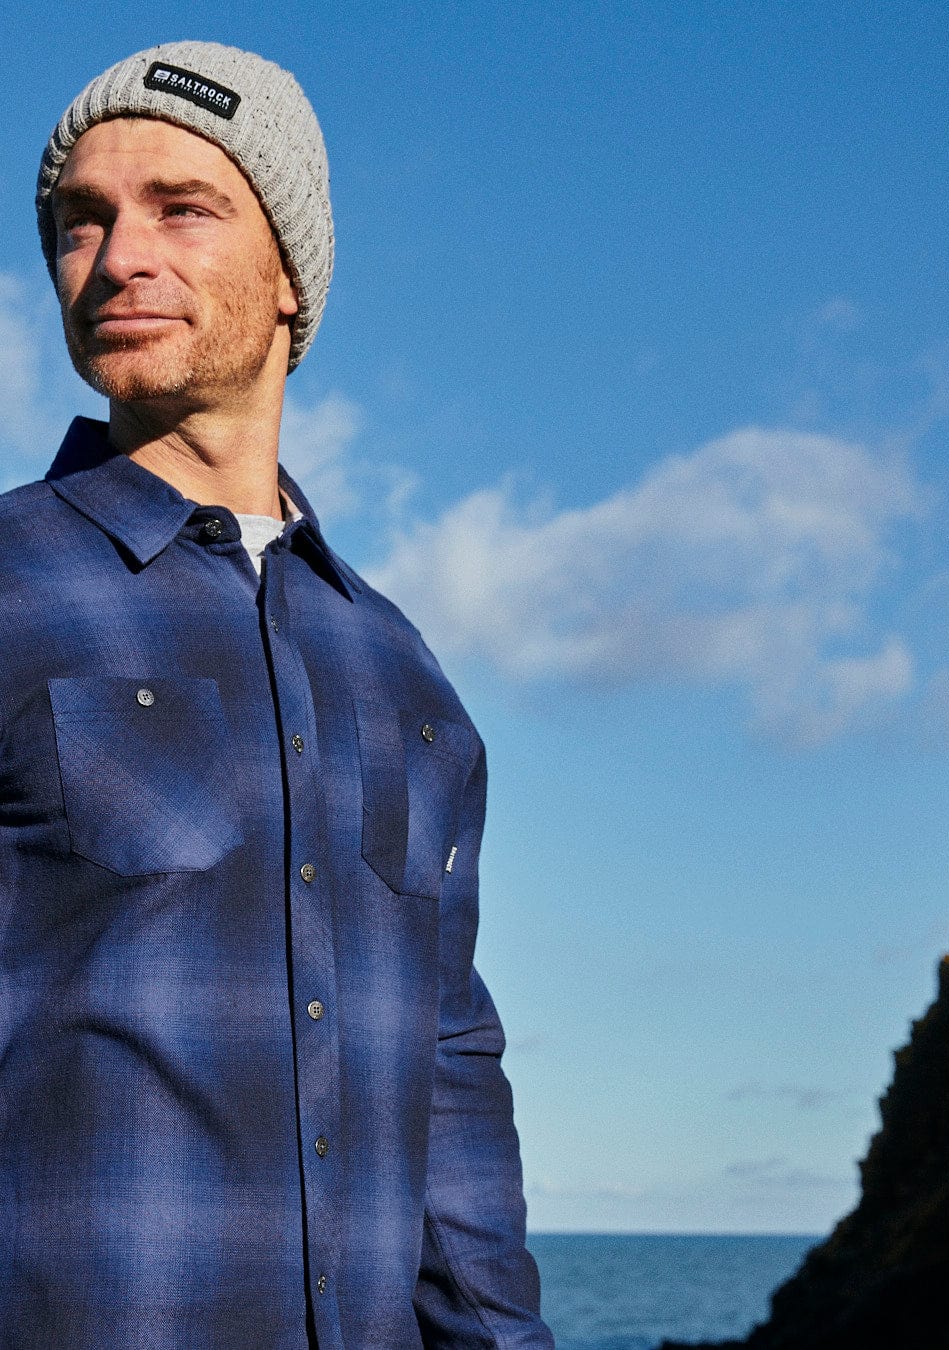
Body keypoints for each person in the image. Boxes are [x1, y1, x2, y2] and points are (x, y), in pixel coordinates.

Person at [0, 40, 552, 1348]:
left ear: (291, 275)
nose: (119, 254)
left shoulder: (412, 681)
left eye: (182, 207)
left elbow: (451, 1085)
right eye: (83, 222)